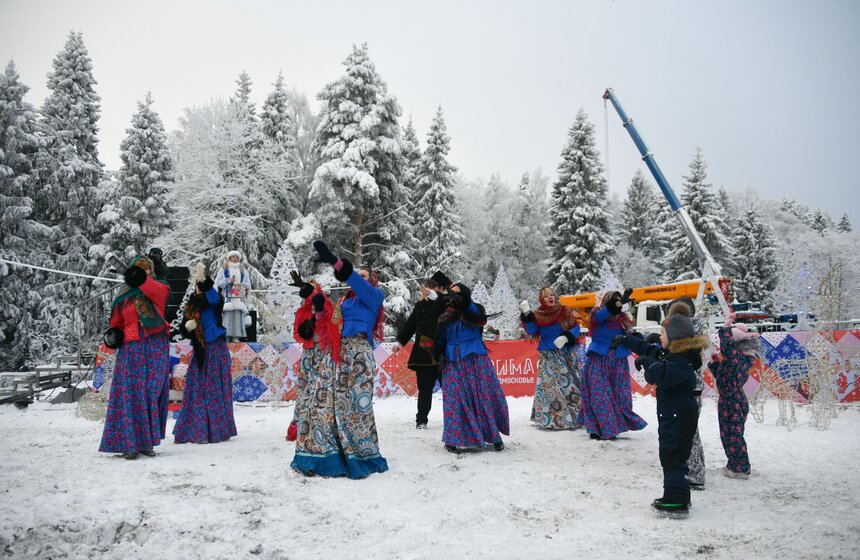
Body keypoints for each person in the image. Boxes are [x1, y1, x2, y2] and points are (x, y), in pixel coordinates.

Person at [611, 313, 710, 517]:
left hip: (678, 415)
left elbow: (663, 375)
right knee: (671, 455)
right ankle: (678, 495)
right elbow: (649, 350)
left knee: (672, 455)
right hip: (674, 414)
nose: (660, 337)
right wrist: (626, 340)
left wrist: (647, 363)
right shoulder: (674, 353)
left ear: (674, 336)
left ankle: (676, 500)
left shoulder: (682, 359)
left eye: (663, 333)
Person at [312, 240, 388, 478]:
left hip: (359, 352)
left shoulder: (374, 295)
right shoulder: (345, 301)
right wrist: (319, 310)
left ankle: (362, 452)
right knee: (338, 404)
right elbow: (329, 327)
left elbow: (353, 278)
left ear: (371, 279)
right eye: (358, 274)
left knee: (358, 404)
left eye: (364, 275)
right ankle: (341, 453)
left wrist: (336, 261)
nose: (359, 277)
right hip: (341, 353)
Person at [100, 256, 171, 459]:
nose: (145, 272)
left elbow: (157, 293)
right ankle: (130, 443)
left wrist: (139, 278)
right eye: (140, 269)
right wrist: (114, 334)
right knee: (132, 393)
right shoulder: (123, 295)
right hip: (132, 346)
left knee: (152, 391)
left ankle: (147, 441)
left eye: (147, 268)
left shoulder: (160, 286)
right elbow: (116, 321)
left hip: (156, 343)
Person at [288, 270, 354, 477]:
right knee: (305, 388)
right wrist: (304, 331)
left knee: (321, 389)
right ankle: (300, 424)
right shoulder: (301, 311)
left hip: (324, 351)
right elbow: (297, 333)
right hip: (309, 352)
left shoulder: (325, 303)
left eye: (311, 287)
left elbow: (321, 304)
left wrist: (305, 288)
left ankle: (323, 425)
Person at [435, 282, 510, 453]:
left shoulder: (474, 309)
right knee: (454, 400)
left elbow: (477, 317)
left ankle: (493, 437)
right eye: (451, 294)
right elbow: (439, 339)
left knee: (482, 397)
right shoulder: (444, 316)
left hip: (476, 360)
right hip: (452, 362)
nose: (453, 297)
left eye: (458, 293)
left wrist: (464, 303)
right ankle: (453, 439)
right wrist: (437, 353)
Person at [173, 264, 237, 444]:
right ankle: (196, 428)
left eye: (200, 285)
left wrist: (204, 281)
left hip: (216, 347)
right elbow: (184, 328)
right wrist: (187, 328)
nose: (198, 288)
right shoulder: (191, 305)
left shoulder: (214, 299)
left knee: (216, 388)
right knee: (198, 389)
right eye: (196, 285)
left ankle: (217, 429)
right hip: (201, 351)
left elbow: (215, 299)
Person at [577, 289, 647, 440]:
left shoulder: (623, 319)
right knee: (599, 395)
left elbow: (629, 335)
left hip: (618, 360)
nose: (618, 305)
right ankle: (599, 428)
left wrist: (633, 338)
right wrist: (616, 304)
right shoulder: (597, 315)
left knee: (621, 396)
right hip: (598, 359)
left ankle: (613, 425)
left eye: (620, 302)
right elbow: (603, 314)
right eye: (615, 302)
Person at [394, 272, 452, 429]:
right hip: (424, 353)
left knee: (449, 388)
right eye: (426, 287)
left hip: (443, 352)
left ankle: (454, 418)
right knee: (424, 388)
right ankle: (421, 420)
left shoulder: (447, 302)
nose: (427, 291)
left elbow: (443, 302)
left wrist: (434, 295)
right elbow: (411, 325)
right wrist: (400, 342)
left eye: (431, 288)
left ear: (440, 289)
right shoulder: (420, 305)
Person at [520, 287, 583, 430]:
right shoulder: (538, 315)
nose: (550, 297)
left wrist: (566, 337)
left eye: (551, 295)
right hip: (548, 353)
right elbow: (532, 331)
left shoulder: (565, 311)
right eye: (546, 296)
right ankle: (553, 419)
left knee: (570, 384)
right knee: (550, 386)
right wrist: (527, 315)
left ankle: (576, 416)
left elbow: (576, 327)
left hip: (565, 353)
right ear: (542, 300)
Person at [665, 297, 708, 490]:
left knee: (688, 433)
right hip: (694, 386)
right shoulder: (695, 328)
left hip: (688, 387)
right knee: (692, 432)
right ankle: (696, 470)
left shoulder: (685, 331)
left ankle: (694, 474)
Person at [709, 314, 758, 479]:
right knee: (729, 434)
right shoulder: (740, 361)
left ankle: (740, 467)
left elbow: (728, 347)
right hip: (732, 399)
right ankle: (735, 464)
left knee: (733, 435)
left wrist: (725, 328)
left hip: (732, 402)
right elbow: (725, 378)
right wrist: (715, 365)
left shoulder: (736, 358)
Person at [215, 250, 252, 342]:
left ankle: (236, 336)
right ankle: (226, 335)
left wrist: (242, 284)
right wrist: (228, 281)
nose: (234, 258)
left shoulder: (242, 270)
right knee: (227, 316)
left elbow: (248, 283)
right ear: (229, 258)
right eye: (232, 257)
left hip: (239, 296)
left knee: (237, 316)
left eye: (236, 257)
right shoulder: (224, 269)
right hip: (228, 297)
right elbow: (219, 283)